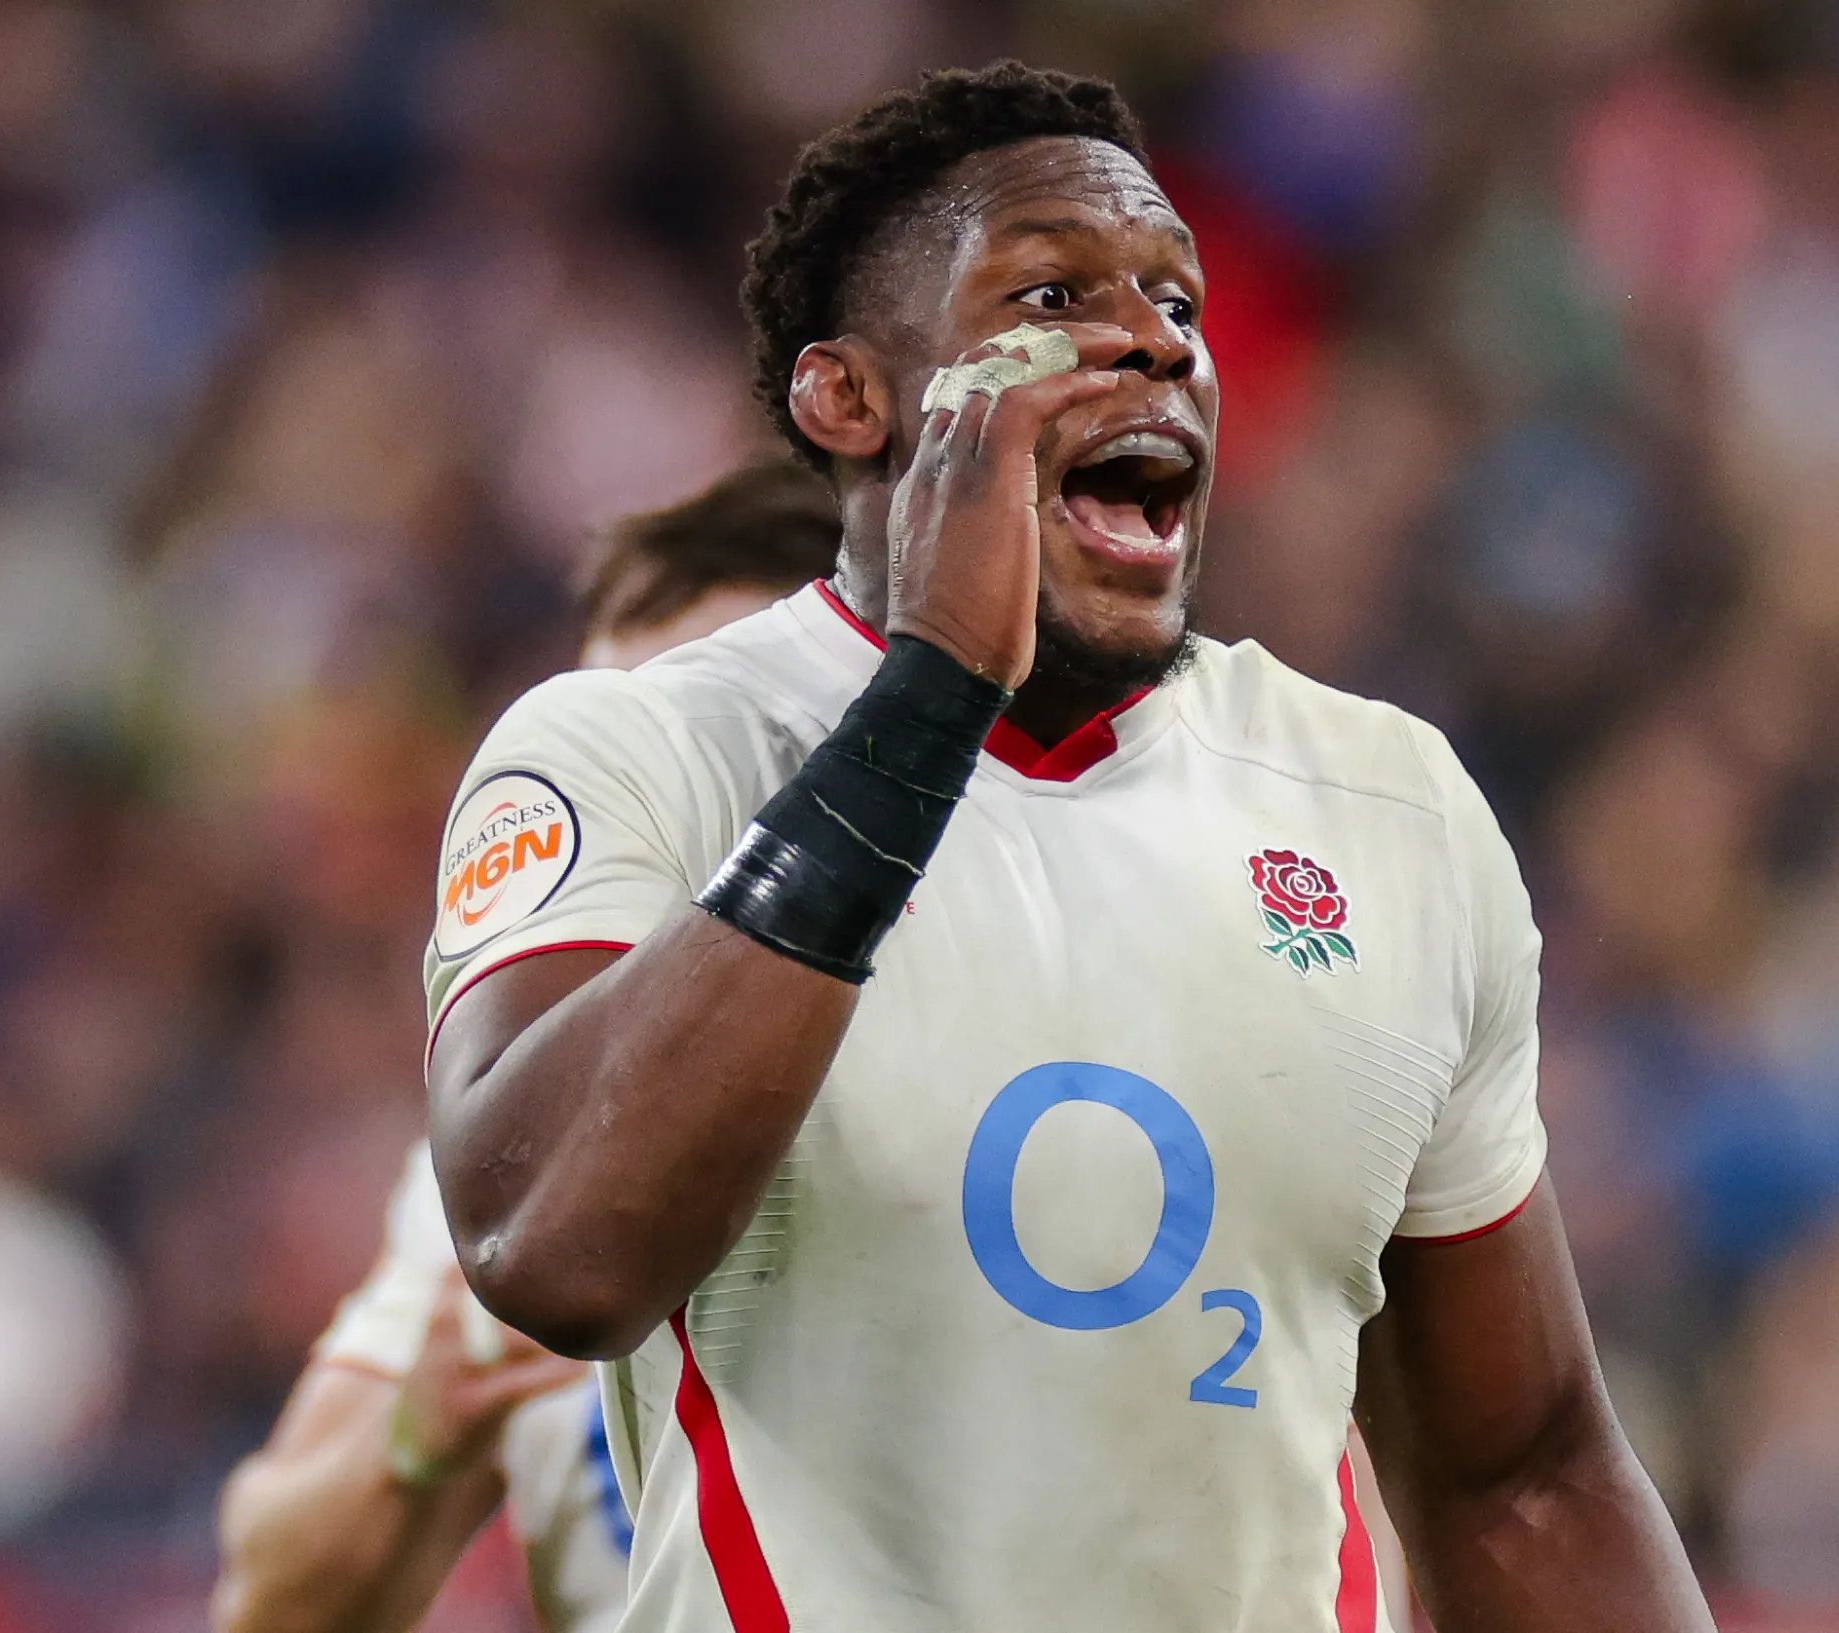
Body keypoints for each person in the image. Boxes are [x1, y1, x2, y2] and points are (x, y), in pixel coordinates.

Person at [425, 60, 1715, 1633]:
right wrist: (934, 695)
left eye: (1179, 302)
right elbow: (550, 1244)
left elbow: (1520, 1472)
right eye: (1052, 295)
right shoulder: (638, 754)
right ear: (849, 398)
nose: (1154, 339)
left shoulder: (1389, 807)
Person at [211, 461, 845, 1633]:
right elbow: (269, 1601)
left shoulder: (1001, 1076)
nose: (627, 803)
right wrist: (418, 1436)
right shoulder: (516, 1165)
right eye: (598, 744)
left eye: (698, 744)